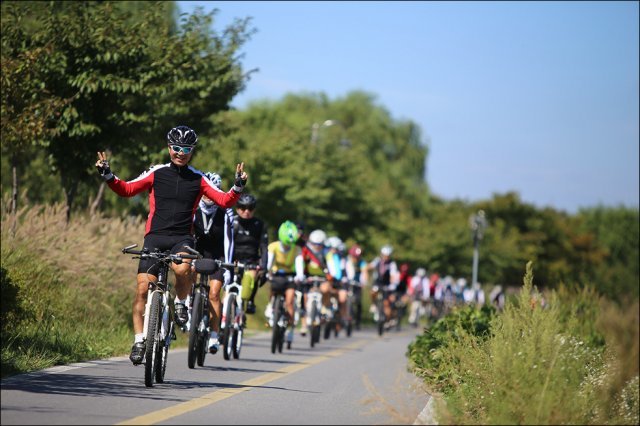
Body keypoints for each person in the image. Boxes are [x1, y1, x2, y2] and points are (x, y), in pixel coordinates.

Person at [95, 125, 248, 365]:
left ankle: (179, 303)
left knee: (182, 268)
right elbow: (126, 189)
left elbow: (223, 201)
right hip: (155, 236)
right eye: (176, 148)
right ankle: (138, 341)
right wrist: (108, 175)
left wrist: (237, 186)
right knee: (143, 289)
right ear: (169, 148)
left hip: (181, 238)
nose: (180, 152)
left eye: (186, 149)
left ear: (192, 151)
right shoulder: (156, 172)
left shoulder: (199, 179)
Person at [192, 171, 235, 355]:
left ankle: (214, 335)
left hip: (218, 255)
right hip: (197, 253)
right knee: (188, 276)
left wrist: (228, 267)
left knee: (214, 294)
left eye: (213, 191)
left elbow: (229, 241)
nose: (209, 196)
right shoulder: (193, 208)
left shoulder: (225, 211)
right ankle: (188, 308)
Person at [265, 220, 305, 347]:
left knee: (289, 301)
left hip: (290, 277)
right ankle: (271, 306)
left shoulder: (297, 249)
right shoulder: (273, 246)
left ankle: (290, 328)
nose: (288, 247)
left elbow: (299, 265)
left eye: (290, 245)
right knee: (272, 288)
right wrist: (267, 272)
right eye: (285, 244)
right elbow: (269, 262)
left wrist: (300, 275)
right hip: (276, 275)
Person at [232, 193, 269, 315]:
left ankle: (251, 301)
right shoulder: (232, 222)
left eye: (250, 208)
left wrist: (264, 267)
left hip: (251, 261)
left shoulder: (259, 224)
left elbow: (264, 247)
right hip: (233, 259)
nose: (246, 211)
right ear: (237, 208)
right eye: (243, 208)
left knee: (253, 277)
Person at [367, 244, 399, 326]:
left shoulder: (392, 264)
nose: (386, 257)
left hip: (387, 285)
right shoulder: (377, 260)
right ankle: (374, 304)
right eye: (384, 255)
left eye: (387, 256)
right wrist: (365, 268)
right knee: (373, 292)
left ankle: (386, 320)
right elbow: (369, 266)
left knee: (386, 304)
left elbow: (393, 275)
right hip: (377, 282)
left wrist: (392, 285)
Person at [345, 244, 368, 330]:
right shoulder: (347, 261)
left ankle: (358, 321)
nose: (356, 258)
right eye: (354, 256)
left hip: (357, 284)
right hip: (347, 283)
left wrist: (364, 282)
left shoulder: (362, 262)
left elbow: (364, 272)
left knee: (358, 302)